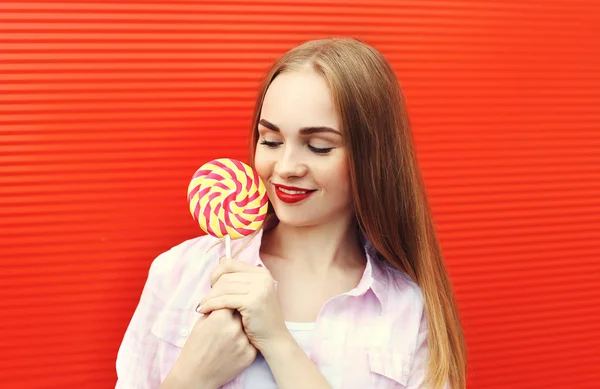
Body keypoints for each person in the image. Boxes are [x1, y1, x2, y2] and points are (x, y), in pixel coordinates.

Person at [115, 37, 467, 389]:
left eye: (318, 147)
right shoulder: (180, 272)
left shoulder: (407, 309)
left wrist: (277, 342)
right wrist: (189, 380)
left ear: (372, 157)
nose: (285, 167)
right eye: (270, 140)